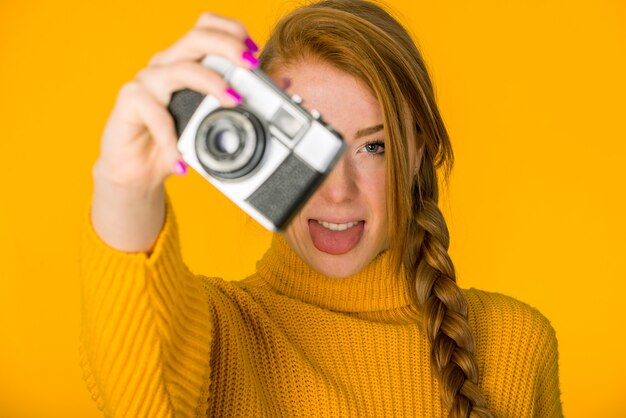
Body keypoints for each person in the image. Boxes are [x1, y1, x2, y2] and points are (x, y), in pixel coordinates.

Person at [79, 1, 563, 416]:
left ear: (416, 152)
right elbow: (140, 396)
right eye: (307, 150)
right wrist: (123, 185)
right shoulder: (216, 337)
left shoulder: (515, 343)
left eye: (373, 148)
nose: (337, 192)